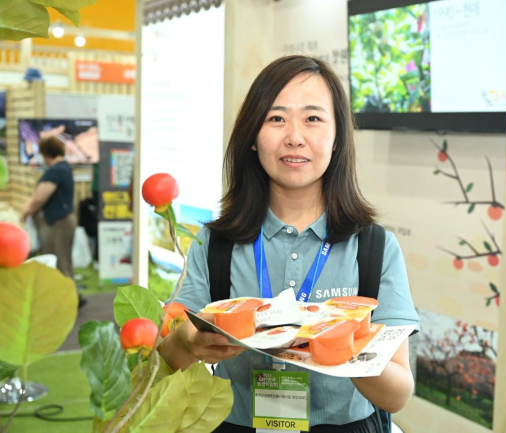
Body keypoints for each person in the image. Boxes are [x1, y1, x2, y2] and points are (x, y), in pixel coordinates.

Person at [159, 55, 420, 432]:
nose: (295, 137)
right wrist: (185, 344)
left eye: (313, 118)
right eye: (276, 118)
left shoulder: (374, 248)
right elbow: (168, 360)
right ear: (252, 137)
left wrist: (343, 350)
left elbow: (398, 395)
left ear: (337, 138)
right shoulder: (215, 244)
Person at [21, 136, 84, 306]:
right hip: (62, 221)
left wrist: (26, 211)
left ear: (46, 153)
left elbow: (39, 198)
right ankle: (72, 299)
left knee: (59, 263)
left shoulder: (56, 171)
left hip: (57, 223)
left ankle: (70, 302)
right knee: (64, 261)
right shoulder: (64, 169)